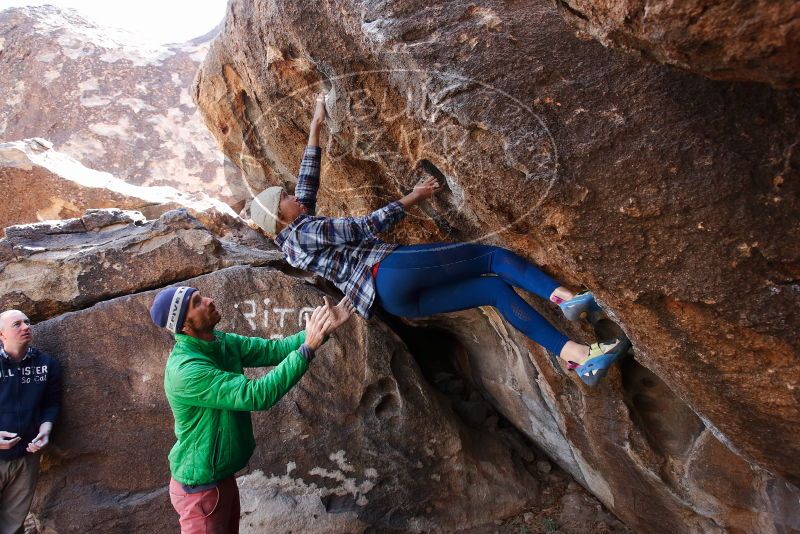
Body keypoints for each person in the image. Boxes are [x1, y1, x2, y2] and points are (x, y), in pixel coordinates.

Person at [250, 94, 629, 387]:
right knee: (492, 257)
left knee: (495, 293)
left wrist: (315, 129)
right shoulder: (306, 229)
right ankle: (565, 298)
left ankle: (579, 356)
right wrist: (412, 197)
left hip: (396, 302)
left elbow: (306, 184)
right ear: (280, 215)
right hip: (388, 271)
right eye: (285, 198)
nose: (293, 196)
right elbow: (362, 228)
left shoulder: (292, 238)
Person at [150, 286, 353, 533]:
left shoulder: (220, 342)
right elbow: (257, 395)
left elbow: (273, 350)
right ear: (184, 326)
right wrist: (307, 349)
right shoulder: (187, 371)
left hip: (219, 478)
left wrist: (321, 329)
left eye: (201, 295)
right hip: (200, 490)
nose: (209, 300)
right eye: (197, 303)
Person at [0, 309, 62, 534]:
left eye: (27, 322)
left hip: (26, 458)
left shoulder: (46, 364)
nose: (26, 327)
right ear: (2, 334)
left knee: (13, 526)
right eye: (17, 324)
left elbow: (51, 403)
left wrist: (46, 429)